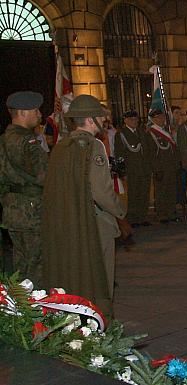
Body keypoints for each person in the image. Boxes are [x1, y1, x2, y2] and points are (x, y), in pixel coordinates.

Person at [42, 94, 126, 317]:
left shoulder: (62, 146)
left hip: (70, 220)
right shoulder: (93, 146)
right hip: (95, 220)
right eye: (100, 116)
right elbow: (101, 190)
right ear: (90, 120)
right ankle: (100, 320)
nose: (104, 120)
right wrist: (120, 210)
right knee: (101, 278)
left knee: (76, 272)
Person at [0, 91, 47, 283]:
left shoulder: (5, 138)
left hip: (13, 209)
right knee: (36, 265)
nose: (39, 114)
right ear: (23, 112)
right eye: (35, 110)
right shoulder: (26, 140)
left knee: (21, 264)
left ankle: (22, 307)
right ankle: (37, 309)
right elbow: (43, 175)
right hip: (31, 211)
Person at [115, 110, 152, 227]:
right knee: (133, 194)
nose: (135, 121)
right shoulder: (121, 134)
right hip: (132, 169)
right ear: (125, 120)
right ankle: (133, 218)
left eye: (136, 119)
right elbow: (119, 154)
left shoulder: (141, 132)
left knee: (144, 193)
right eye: (132, 119)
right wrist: (122, 171)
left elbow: (146, 150)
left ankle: (143, 216)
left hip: (144, 168)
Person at [147, 108, 180, 223]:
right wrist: (156, 169)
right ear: (153, 119)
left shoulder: (167, 131)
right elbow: (150, 153)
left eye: (162, 117)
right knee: (161, 192)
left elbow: (173, 149)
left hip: (171, 166)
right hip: (161, 167)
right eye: (158, 118)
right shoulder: (150, 133)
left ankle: (171, 212)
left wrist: (176, 164)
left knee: (171, 191)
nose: (161, 119)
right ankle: (162, 214)